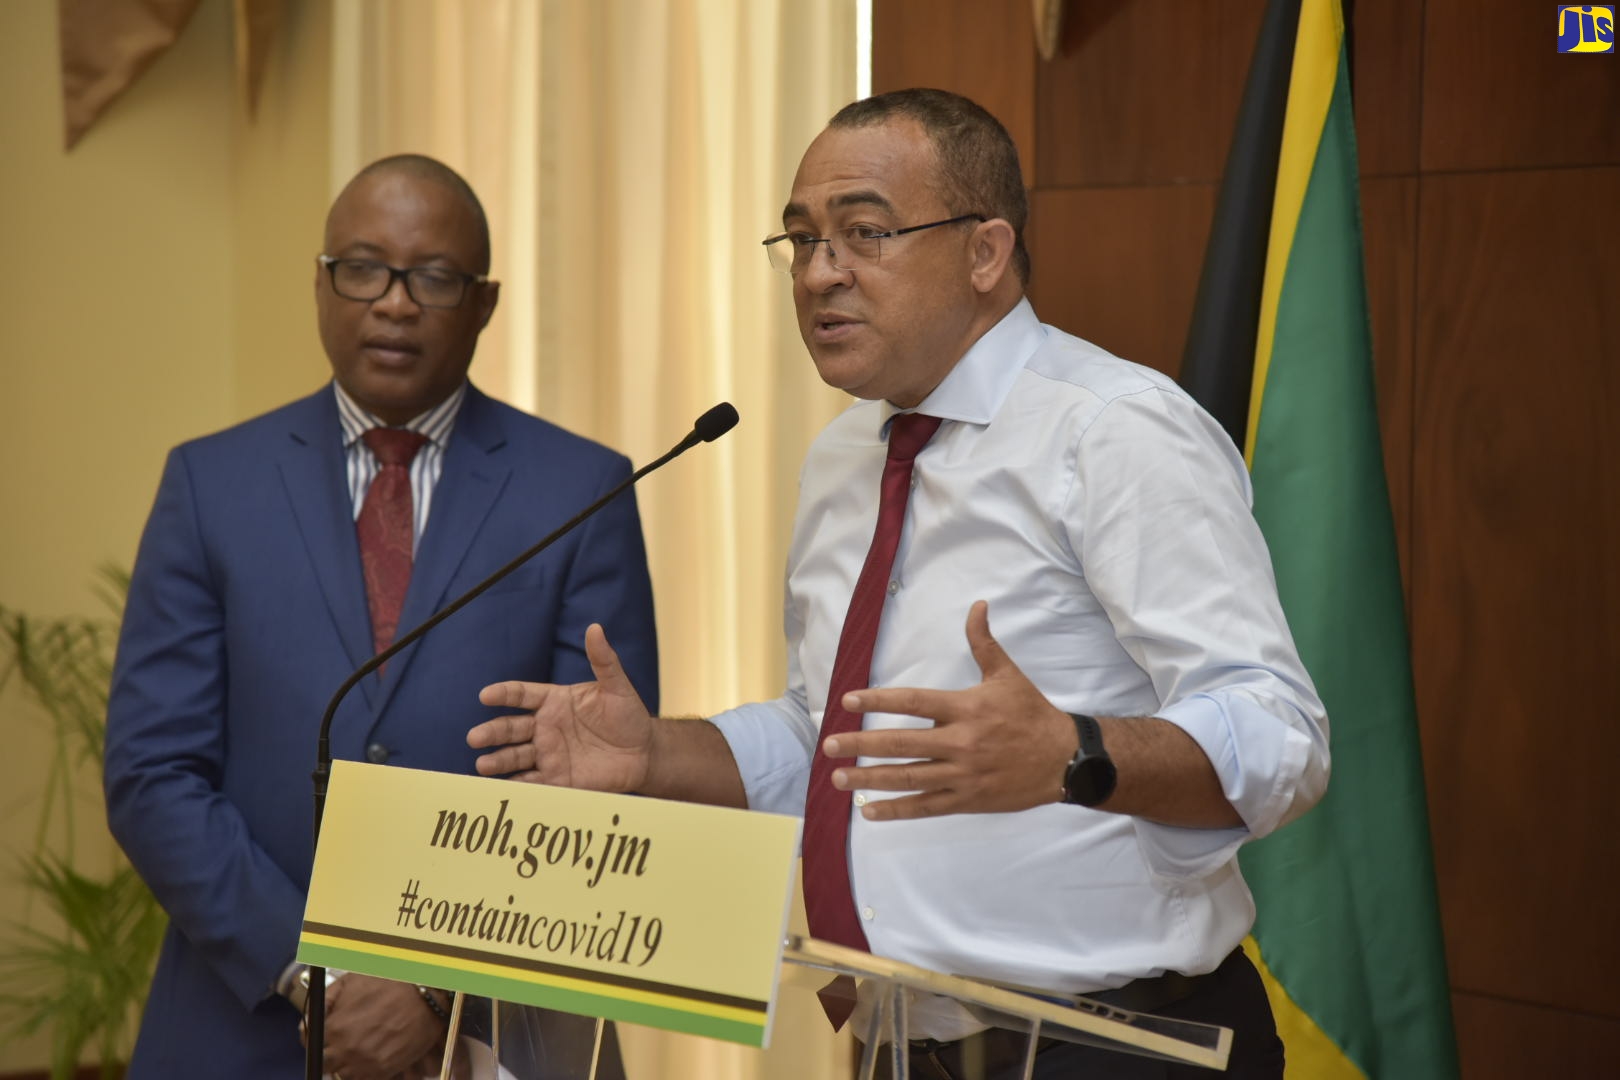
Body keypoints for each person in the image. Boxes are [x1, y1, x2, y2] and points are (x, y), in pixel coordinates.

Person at [468, 90, 1330, 1079]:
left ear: (985, 252)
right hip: (899, 1047)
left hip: (1112, 1045)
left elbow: (1280, 734)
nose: (819, 272)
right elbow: (830, 741)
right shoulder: (845, 459)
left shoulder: (1114, 431)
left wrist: (1073, 753)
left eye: (864, 233)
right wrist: (660, 754)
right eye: (799, 240)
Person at [104, 155, 658, 1079]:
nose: (394, 303)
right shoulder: (212, 484)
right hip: (243, 1020)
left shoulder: (581, 489)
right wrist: (315, 972)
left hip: (498, 1030)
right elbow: (153, 770)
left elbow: (595, 788)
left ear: (482, 303)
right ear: (321, 286)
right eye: (362, 268)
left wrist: (433, 989)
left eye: (434, 278)